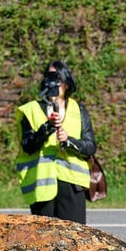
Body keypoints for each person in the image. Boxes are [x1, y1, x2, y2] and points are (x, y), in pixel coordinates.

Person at [15, 61, 96, 224]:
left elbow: (90, 147)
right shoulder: (30, 110)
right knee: (43, 238)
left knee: (73, 237)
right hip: (42, 187)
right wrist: (47, 127)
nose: (53, 82)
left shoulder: (78, 109)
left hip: (72, 185)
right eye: (49, 77)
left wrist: (68, 141)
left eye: (57, 77)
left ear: (66, 82)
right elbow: (27, 145)